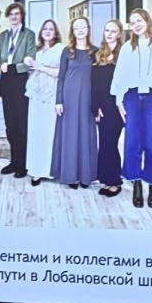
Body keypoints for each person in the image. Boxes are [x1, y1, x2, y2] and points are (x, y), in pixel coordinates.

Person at [111, 7, 152, 210]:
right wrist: (118, 101)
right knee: (132, 143)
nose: (136, 25)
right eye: (132, 23)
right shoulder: (127, 47)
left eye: (139, 20)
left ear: (147, 20)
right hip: (131, 97)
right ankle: (136, 184)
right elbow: (119, 75)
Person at [51, 17, 99, 190]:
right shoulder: (67, 51)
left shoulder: (95, 52)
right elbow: (61, 77)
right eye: (76, 27)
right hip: (69, 98)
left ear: (88, 29)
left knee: (86, 135)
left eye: (83, 26)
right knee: (70, 136)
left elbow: (100, 79)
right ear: (72, 30)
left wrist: (99, 103)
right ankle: (70, 176)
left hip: (88, 99)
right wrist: (58, 100)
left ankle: (86, 176)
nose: (80, 30)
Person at [0, 3, 35, 177]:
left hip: (21, 81)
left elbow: (29, 61)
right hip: (6, 82)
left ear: (22, 15)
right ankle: (14, 161)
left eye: (17, 14)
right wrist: (7, 67)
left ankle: (23, 164)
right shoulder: (2, 36)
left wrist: (12, 67)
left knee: (21, 125)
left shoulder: (29, 35)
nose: (14, 17)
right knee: (10, 125)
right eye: (11, 14)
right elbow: (1, 59)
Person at [23, 19, 62, 185]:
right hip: (36, 95)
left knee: (49, 133)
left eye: (51, 29)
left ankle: (49, 170)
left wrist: (41, 67)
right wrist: (28, 62)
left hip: (51, 95)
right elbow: (28, 67)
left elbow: (60, 72)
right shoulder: (36, 49)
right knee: (35, 132)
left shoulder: (60, 49)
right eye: (45, 28)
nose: (47, 31)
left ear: (55, 32)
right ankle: (36, 170)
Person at [91, 20, 126, 198]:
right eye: (107, 30)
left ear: (119, 34)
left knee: (111, 143)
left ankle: (114, 181)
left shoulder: (125, 54)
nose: (109, 34)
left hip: (117, 105)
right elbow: (93, 83)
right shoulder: (98, 55)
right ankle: (106, 179)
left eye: (113, 31)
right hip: (102, 106)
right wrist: (95, 106)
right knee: (104, 143)